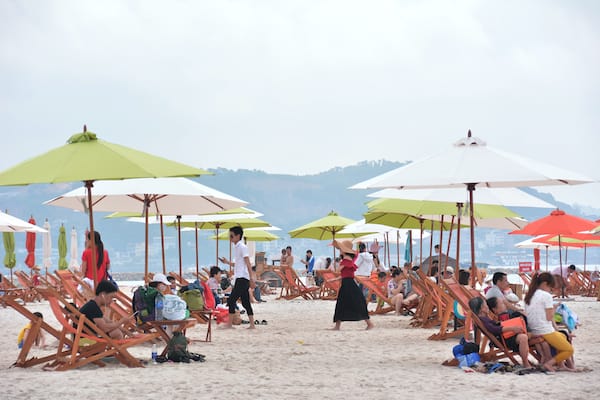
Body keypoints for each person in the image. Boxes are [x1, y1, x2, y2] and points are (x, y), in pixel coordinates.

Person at [524, 272, 574, 372]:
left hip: (533, 329)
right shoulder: (546, 296)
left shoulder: (529, 295)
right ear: (545, 284)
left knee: (563, 336)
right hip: (544, 330)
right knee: (569, 350)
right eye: (551, 288)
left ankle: (561, 365)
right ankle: (549, 364)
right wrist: (554, 309)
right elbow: (549, 317)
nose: (550, 290)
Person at [468, 296, 533, 369]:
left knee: (527, 335)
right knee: (523, 337)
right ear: (482, 309)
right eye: (486, 305)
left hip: (504, 337)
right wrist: (512, 328)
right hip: (503, 339)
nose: (488, 307)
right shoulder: (483, 320)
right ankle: (525, 363)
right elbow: (494, 329)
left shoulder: (485, 318)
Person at [218, 226, 256, 329]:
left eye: (231, 236)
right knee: (245, 302)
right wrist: (227, 262)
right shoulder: (238, 247)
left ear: (238, 236)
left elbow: (248, 263)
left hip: (242, 278)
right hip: (241, 277)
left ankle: (229, 324)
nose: (230, 238)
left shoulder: (242, 247)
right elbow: (239, 264)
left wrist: (251, 278)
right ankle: (252, 325)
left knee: (231, 300)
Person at [331, 239, 373, 330]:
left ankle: (369, 324)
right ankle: (338, 325)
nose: (339, 251)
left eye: (340, 249)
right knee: (355, 302)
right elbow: (347, 275)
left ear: (344, 250)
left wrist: (335, 267)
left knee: (344, 303)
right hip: (349, 283)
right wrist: (335, 278)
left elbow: (337, 271)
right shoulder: (349, 260)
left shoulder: (346, 260)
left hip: (348, 284)